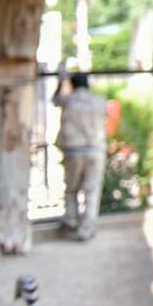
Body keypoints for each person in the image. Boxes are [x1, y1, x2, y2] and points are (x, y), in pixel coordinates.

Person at [52, 64, 108, 241]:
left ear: (74, 85)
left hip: (73, 150)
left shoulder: (68, 100)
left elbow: (54, 100)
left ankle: (70, 219)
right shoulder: (99, 100)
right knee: (92, 190)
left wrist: (62, 80)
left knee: (71, 189)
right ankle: (86, 229)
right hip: (96, 150)